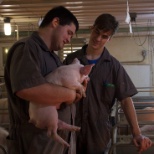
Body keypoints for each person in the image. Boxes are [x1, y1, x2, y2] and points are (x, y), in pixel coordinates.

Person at [64, 13, 152, 154]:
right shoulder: (71, 60)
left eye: (104, 36)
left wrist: (137, 133)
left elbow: (126, 100)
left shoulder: (113, 67)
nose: (98, 39)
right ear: (92, 28)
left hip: (98, 135)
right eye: (97, 32)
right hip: (70, 130)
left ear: (109, 39)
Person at [4, 6, 82, 154]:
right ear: (55, 22)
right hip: (34, 142)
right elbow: (28, 89)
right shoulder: (27, 47)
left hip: (51, 140)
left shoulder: (53, 57)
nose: (69, 39)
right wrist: (70, 94)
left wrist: (74, 96)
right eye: (69, 33)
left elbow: (57, 95)